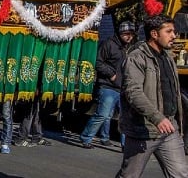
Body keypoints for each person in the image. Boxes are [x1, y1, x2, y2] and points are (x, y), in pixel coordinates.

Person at [116, 15, 187, 178]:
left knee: (180, 173)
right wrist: (157, 118)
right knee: (130, 175)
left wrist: (173, 120)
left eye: (174, 31)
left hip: (169, 128)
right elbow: (133, 92)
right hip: (143, 130)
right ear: (154, 34)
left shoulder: (168, 57)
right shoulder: (136, 58)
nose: (174, 36)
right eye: (168, 31)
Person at [80, 21, 136, 149]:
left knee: (125, 119)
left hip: (124, 88)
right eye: (126, 34)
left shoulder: (130, 48)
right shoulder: (109, 45)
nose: (129, 37)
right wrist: (111, 74)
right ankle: (86, 137)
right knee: (102, 115)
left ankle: (125, 145)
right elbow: (98, 62)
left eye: (131, 34)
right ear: (120, 33)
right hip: (108, 87)